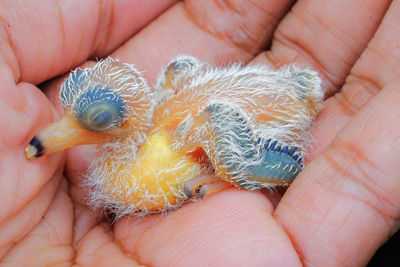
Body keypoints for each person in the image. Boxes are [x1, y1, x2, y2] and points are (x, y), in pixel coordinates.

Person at [0, 0, 398, 266]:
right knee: (181, 78)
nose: (55, 135)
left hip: (258, 108)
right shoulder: (141, 140)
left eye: (93, 120)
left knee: (212, 124)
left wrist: (230, 170)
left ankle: (250, 164)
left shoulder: (163, 146)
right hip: (213, 104)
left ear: (122, 121)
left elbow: (215, 115)